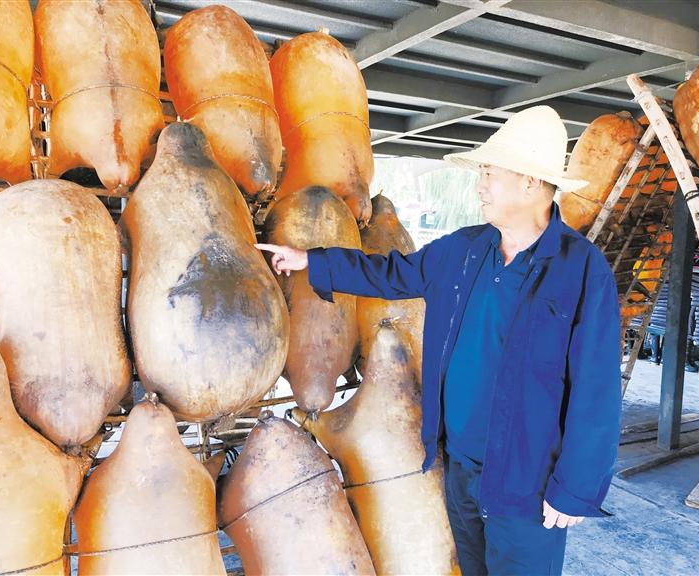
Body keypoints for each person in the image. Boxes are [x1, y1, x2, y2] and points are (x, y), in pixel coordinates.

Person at [256, 105, 622, 575]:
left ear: (530, 183)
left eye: (490, 175)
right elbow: (390, 273)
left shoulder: (582, 269)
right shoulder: (464, 249)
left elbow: (597, 388)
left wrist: (575, 488)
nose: (480, 186)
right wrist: (313, 261)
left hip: (526, 481)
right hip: (460, 467)